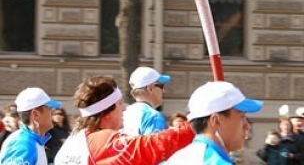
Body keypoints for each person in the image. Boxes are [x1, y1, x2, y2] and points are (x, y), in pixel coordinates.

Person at [54, 75, 195, 165]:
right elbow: (153, 145)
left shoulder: (72, 142)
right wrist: (198, 124)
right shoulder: (102, 142)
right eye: (120, 104)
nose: (125, 109)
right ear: (107, 112)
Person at [165, 81, 263, 165]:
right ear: (216, 121)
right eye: (242, 117)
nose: (247, 125)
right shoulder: (213, 161)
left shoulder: (178, 158)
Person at [0, 87, 61, 165]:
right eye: (49, 108)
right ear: (36, 115)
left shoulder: (32, 141)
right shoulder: (23, 145)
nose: (53, 112)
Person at [123, 66, 170, 135]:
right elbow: (155, 145)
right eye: (161, 86)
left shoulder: (124, 113)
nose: (163, 91)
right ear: (150, 88)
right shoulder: (154, 116)